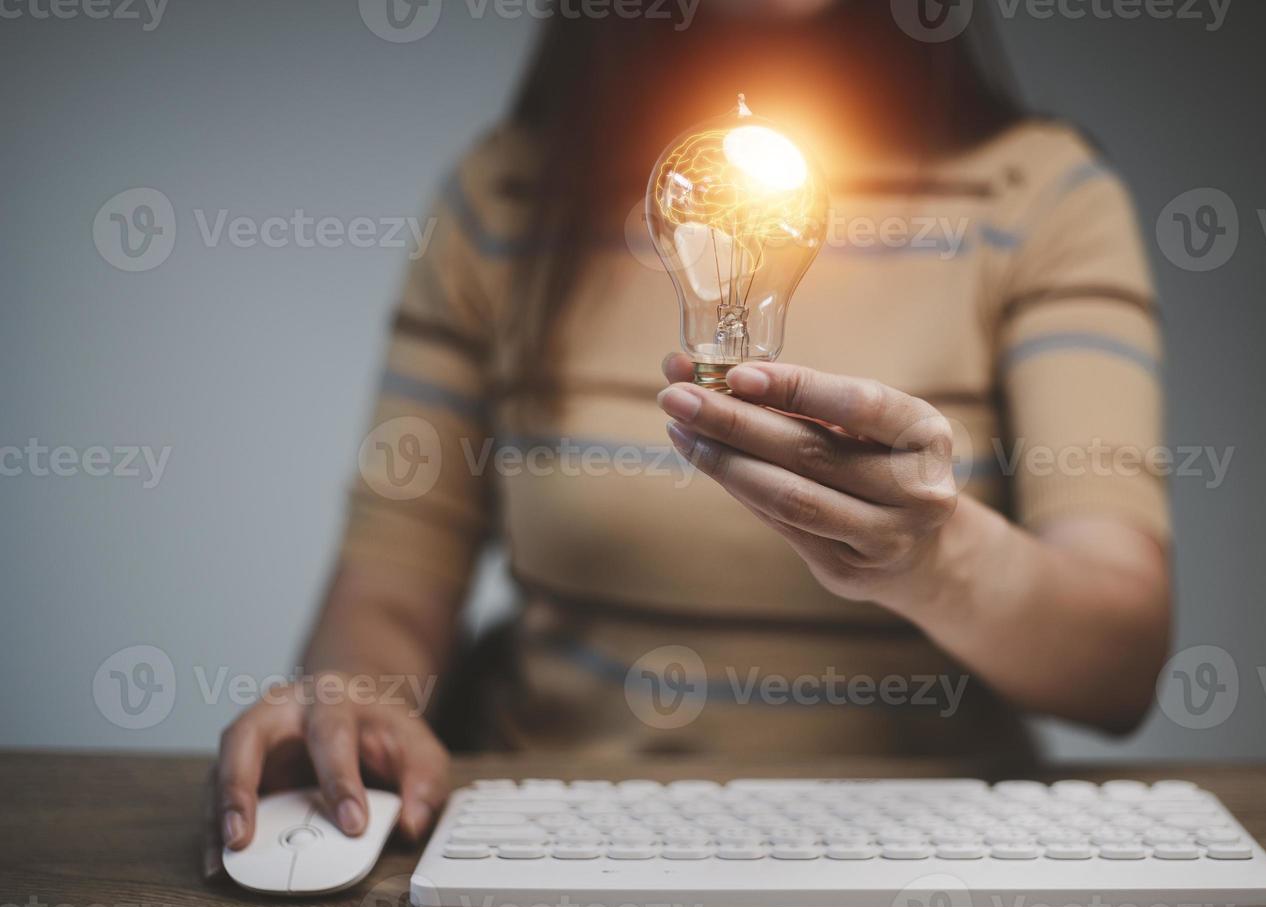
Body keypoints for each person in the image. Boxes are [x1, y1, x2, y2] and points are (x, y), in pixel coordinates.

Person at [207, 0, 1172, 859]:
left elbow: (1119, 666)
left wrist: (935, 560)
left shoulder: (1041, 196)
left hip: (922, 855)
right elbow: (389, 588)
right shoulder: (504, 199)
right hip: (561, 835)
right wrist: (358, 707)